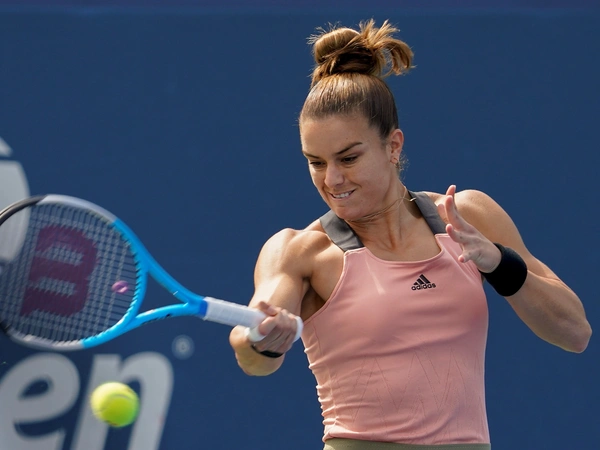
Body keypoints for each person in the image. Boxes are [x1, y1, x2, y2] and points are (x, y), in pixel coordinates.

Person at [228, 19, 592, 450]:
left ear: (393, 145)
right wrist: (261, 338)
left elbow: (575, 332)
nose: (332, 179)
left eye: (348, 158)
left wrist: (499, 264)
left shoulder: (466, 216)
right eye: (316, 162)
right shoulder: (299, 250)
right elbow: (253, 356)